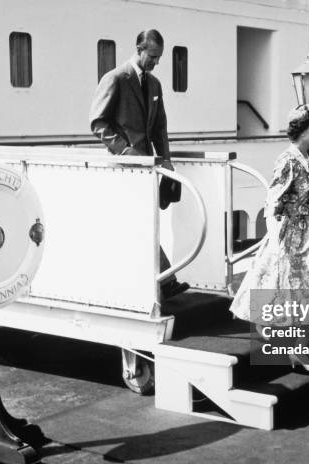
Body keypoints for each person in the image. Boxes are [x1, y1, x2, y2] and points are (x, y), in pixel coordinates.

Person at [230, 104, 309, 372]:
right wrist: (278, 236)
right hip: (293, 234)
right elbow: (273, 199)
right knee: (297, 287)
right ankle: (292, 344)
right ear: (302, 131)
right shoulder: (287, 161)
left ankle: (298, 345)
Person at [89, 29, 188, 300]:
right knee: (141, 222)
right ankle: (165, 281)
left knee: (144, 222)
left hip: (148, 169)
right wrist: (125, 149)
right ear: (139, 49)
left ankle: (160, 280)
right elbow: (98, 123)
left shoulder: (155, 85)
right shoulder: (116, 79)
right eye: (153, 57)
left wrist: (165, 159)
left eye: (159, 58)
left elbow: (159, 126)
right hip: (124, 169)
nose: (156, 63)